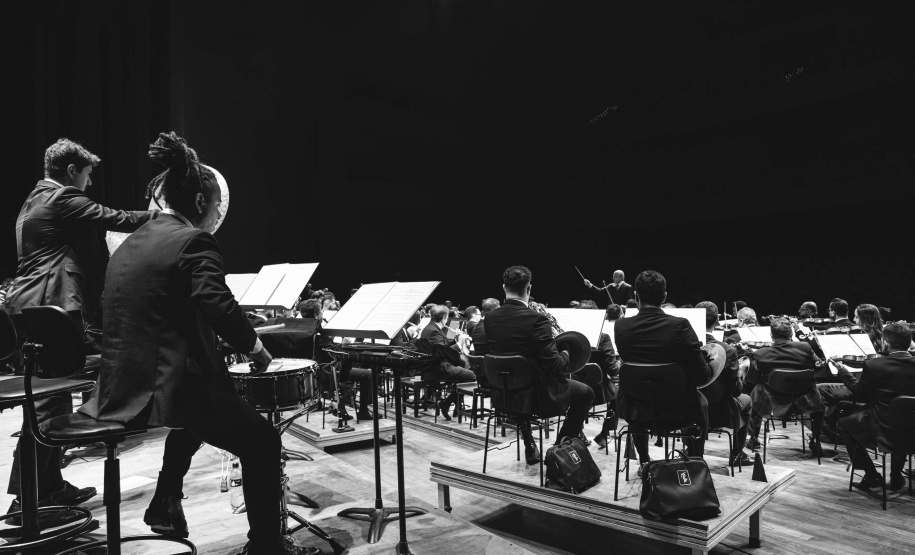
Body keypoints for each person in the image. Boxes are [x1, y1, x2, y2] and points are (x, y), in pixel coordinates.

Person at [78, 132, 305, 555]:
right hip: (163, 385)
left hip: (118, 386)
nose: (218, 214)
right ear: (201, 203)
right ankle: (266, 548)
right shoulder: (193, 239)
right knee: (260, 439)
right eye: (217, 207)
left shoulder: (133, 241)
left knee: (201, 420)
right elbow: (216, 302)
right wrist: (255, 348)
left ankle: (166, 501)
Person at [4, 138, 159, 520]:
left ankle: (49, 487)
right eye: (88, 175)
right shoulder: (61, 198)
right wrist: (162, 217)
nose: (89, 183)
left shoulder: (33, 199)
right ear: (72, 171)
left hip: (29, 303)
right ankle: (27, 500)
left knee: (46, 399)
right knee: (47, 403)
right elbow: (115, 217)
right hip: (50, 303)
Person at [472, 266, 594, 463]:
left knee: (520, 379)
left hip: (504, 394)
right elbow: (555, 364)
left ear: (504, 288)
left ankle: (529, 443)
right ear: (529, 289)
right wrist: (566, 351)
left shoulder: (491, 318)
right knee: (587, 393)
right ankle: (561, 444)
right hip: (539, 395)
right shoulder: (537, 319)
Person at [613, 271, 711, 474]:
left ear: (637, 297)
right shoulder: (680, 325)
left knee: (638, 397)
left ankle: (644, 462)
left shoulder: (621, 326)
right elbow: (702, 376)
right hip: (678, 409)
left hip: (635, 409)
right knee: (702, 403)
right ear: (664, 297)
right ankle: (694, 463)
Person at [834, 322, 915, 490]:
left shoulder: (874, 365)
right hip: (912, 426)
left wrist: (843, 372)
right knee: (903, 420)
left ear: (885, 343)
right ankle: (896, 475)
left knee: (843, 424)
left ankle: (871, 475)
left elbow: (860, 393)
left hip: (882, 426)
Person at [744, 318, 825, 456]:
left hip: (773, 400)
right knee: (817, 393)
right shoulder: (805, 347)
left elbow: (751, 378)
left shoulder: (761, 353)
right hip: (804, 398)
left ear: (771, 335)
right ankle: (816, 440)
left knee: (755, 389)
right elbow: (818, 364)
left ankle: (753, 438)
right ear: (791, 333)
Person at [297, 299, 375, 420]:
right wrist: (343, 344)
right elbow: (332, 353)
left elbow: (324, 348)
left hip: (314, 374)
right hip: (328, 372)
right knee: (367, 373)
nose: (323, 312)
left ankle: (342, 404)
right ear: (317, 315)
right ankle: (362, 410)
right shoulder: (317, 333)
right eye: (321, 310)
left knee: (352, 365)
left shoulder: (306, 329)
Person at [696, 301, 752, 466]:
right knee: (747, 400)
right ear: (716, 323)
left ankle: (690, 448)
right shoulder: (728, 350)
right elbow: (735, 391)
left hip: (688, 410)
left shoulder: (681, 347)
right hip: (720, 412)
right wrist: (740, 377)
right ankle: (737, 454)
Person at [419, 305, 476, 420]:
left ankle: (453, 406)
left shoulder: (430, 328)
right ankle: (447, 402)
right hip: (439, 369)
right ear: (445, 317)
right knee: (472, 376)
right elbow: (441, 353)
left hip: (433, 367)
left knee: (463, 374)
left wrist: (455, 340)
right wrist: (459, 344)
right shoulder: (434, 331)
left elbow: (442, 347)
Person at [590, 304, 623, 449]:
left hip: (571, 386)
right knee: (618, 394)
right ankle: (604, 434)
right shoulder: (603, 337)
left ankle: (578, 432)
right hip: (597, 389)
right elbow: (613, 370)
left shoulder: (568, 334)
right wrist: (620, 362)